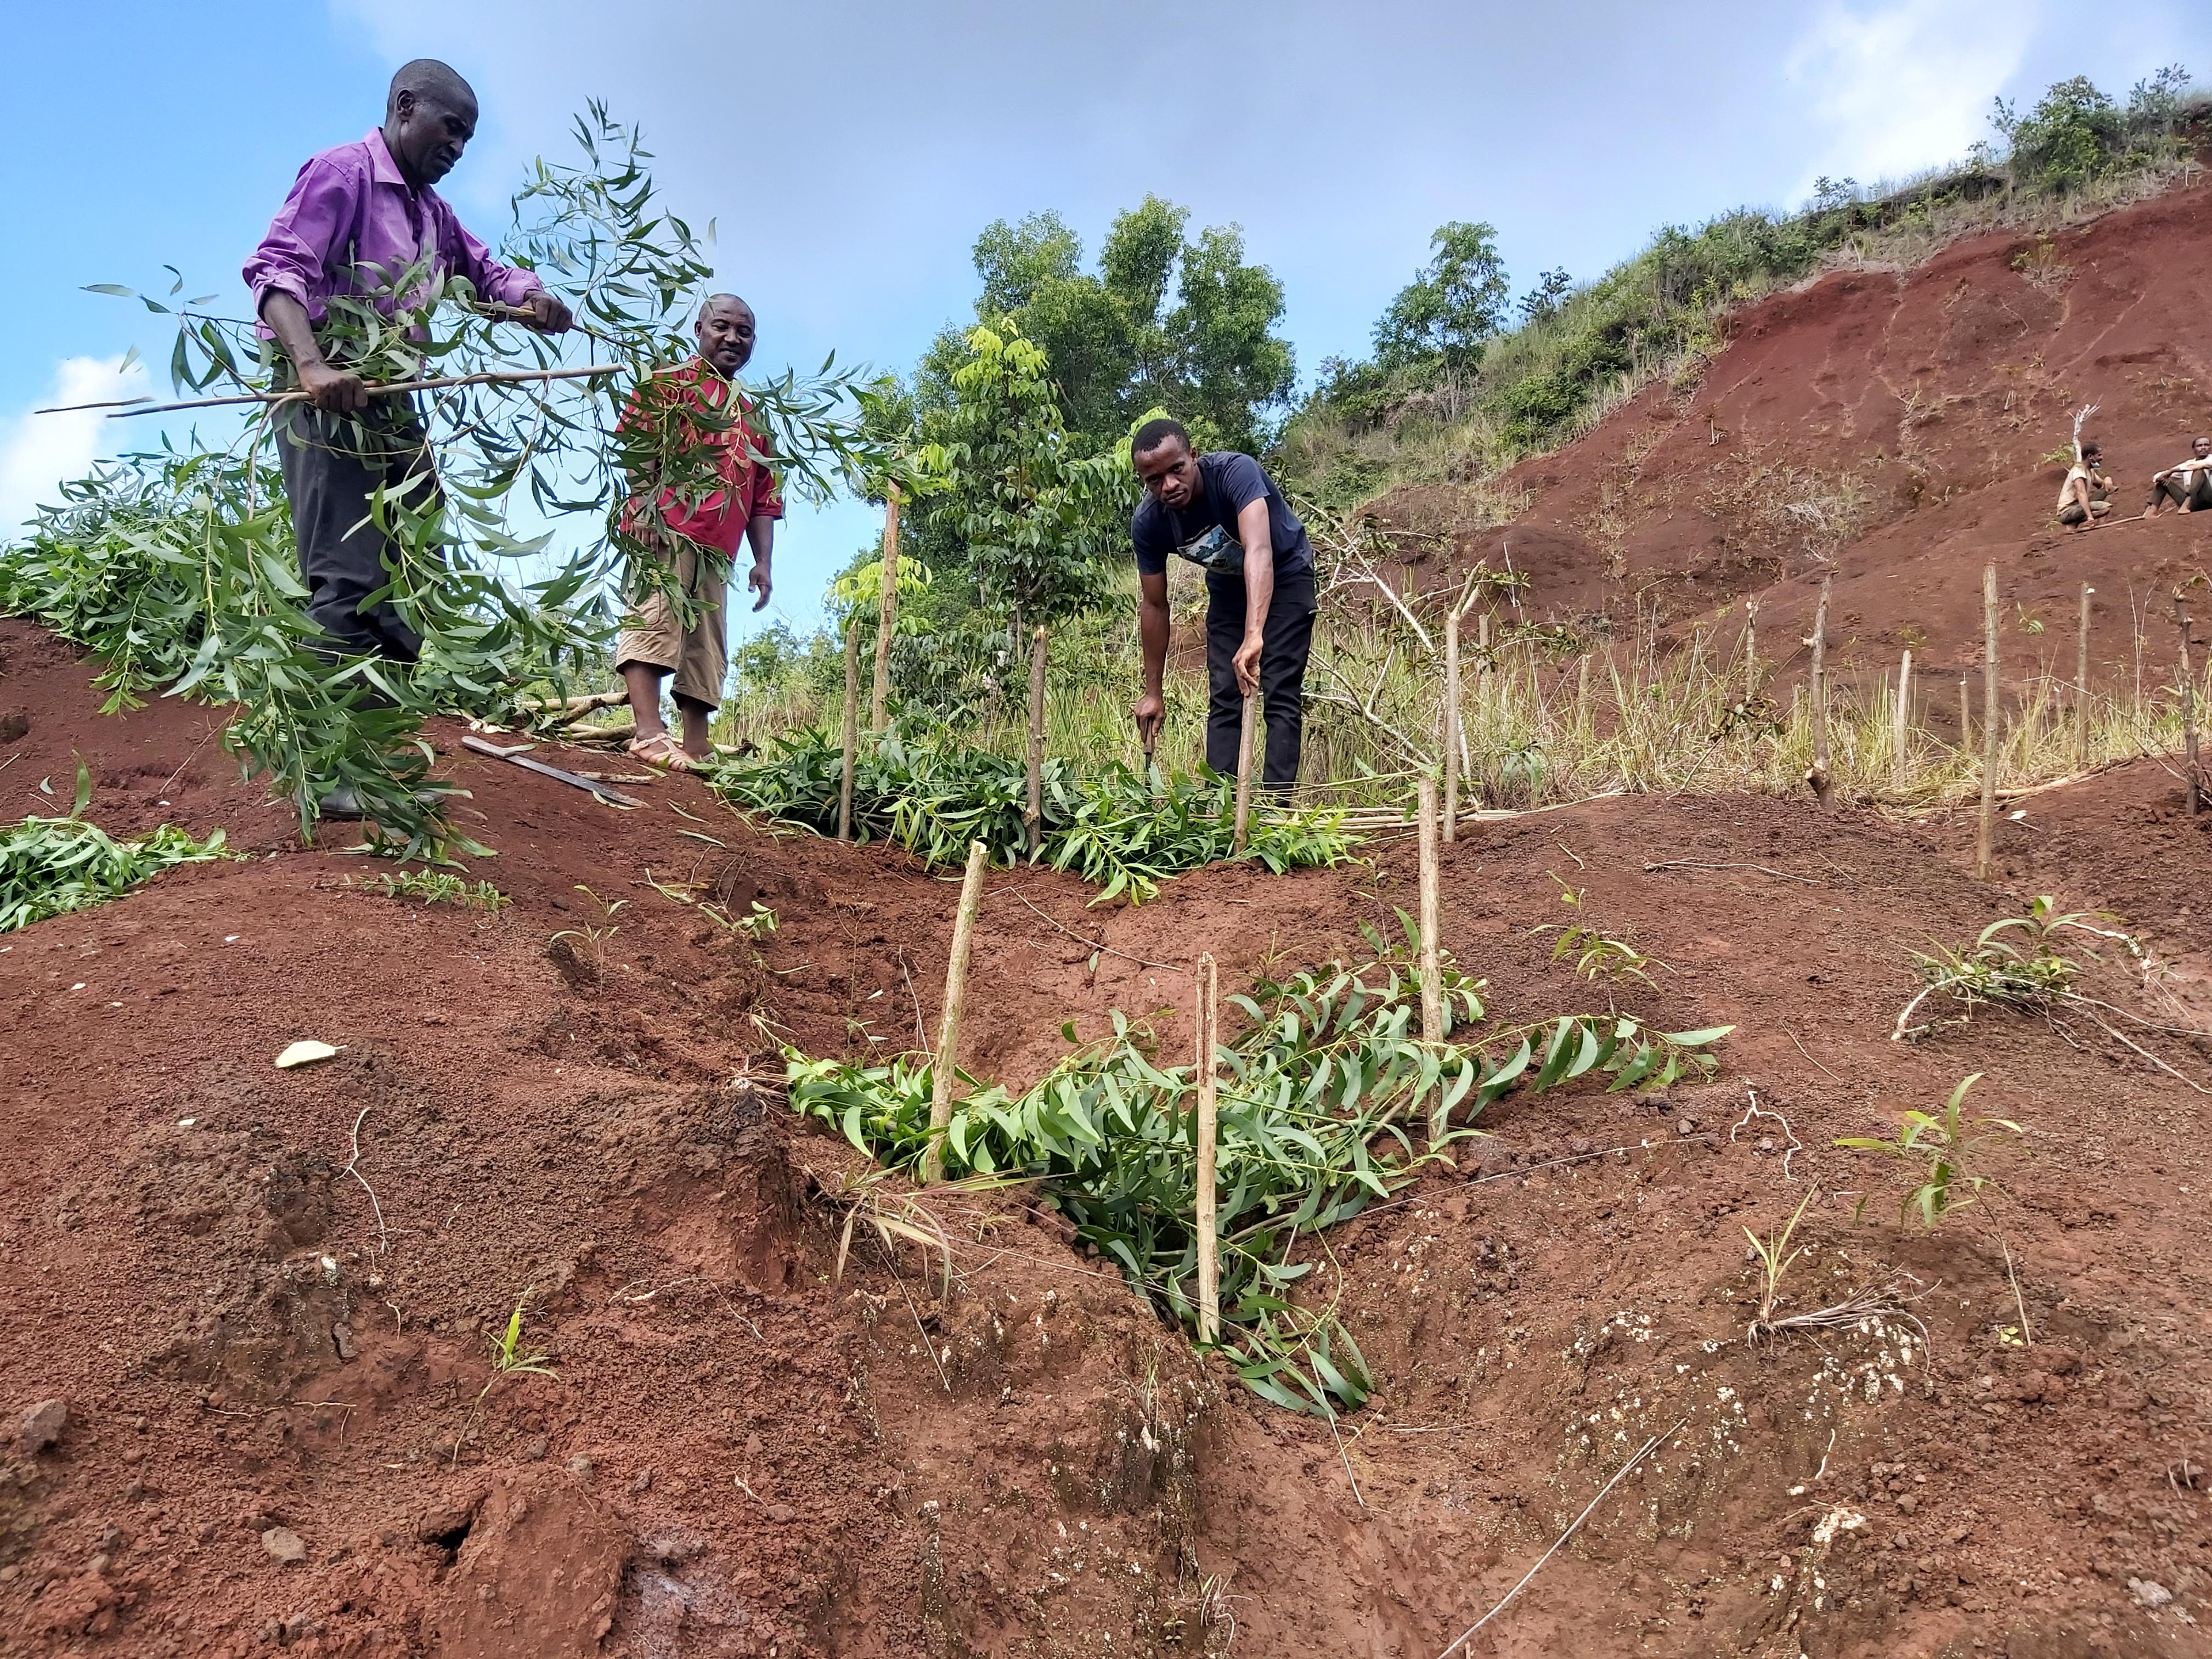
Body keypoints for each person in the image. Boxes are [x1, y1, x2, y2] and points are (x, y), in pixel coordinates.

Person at [244, 59, 572, 814]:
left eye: (468, 137)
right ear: (404, 106)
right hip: (328, 404)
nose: (458, 146)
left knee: (407, 586)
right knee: (348, 578)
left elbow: (485, 274)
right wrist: (312, 365)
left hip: (393, 410)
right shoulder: (344, 173)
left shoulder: (432, 214)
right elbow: (275, 272)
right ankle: (326, 773)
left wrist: (534, 301)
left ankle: (378, 760)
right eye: (450, 128)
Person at [612, 295, 781, 769]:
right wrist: (644, 507)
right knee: (654, 618)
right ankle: (647, 732)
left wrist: (763, 562)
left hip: (718, 550)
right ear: (699, 328)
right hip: (665, 530)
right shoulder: (667, 386)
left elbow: (764, 497)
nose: (732, 338)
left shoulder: (753, 416)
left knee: (706, 643)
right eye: (722, 327)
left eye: (744, 332)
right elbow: (637, 447)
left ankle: (696, 744)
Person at [1129, 419, 1317, 792]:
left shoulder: (1235, 473)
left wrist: (1254, 635)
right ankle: (1221, 809)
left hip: (1285, 573)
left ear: (1194, 456)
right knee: (1225, 693)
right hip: (1229, 589)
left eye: (1177, 470)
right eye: (1153, 480)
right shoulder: (1149, 523)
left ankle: (1275, 811)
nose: (1168, 485)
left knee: (1279, 687)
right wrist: (1154, 691)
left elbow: (1259, 551)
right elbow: (1154, 606)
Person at [2147, 436, 2212, 516]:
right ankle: (2152, 512)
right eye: (2200, 446)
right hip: (2194, 503)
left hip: (2209, 499)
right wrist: (2163, 477)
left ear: (2210, 447)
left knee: (2199, 470)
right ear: (2194, 449)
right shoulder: (2188, 464)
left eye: (2206, 445)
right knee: (2163, 481)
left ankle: (2188, 502)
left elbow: (2201, 465)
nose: (2203, 448)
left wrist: (2172, 470)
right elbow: (2158, 476)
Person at [2056, 443, 2113, 530]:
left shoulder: (2089, 471)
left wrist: (2107, 478)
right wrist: (2090, 516)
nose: (2102, 458)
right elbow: (2081, 493)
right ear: (2090, 457)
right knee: (2106, 508)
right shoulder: (2079, 471)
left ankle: (2099, 525)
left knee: (2110, 489)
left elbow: (2103, 485)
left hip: (2079, 507)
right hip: (2067, 511)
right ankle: (2086, 522)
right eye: (2099, 455)